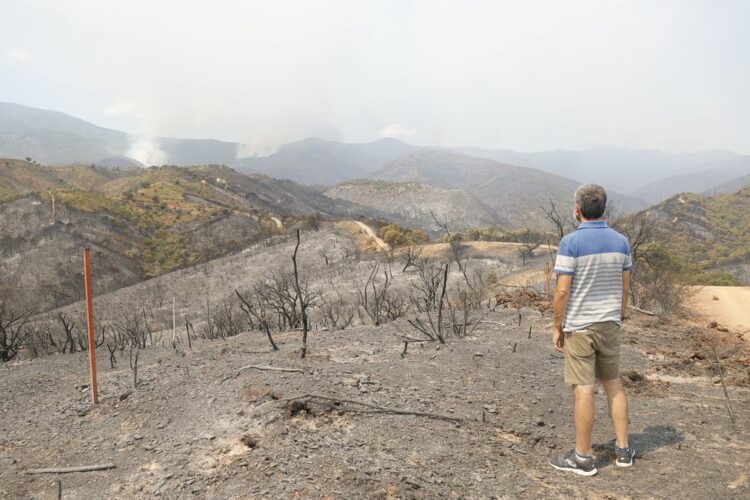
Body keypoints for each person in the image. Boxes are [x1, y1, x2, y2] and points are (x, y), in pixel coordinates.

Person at [548, 184, 635, 476]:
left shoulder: (570, 243)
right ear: (603, 209)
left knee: (584, 389)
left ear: (577, 209)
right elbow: (625, 288)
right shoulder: (622, 242)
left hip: (580, 327)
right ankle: (623, 451)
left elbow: (562, 292)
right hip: (610, 323)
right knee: (613, 384)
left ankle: (583, 458)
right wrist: (619, 316)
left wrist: (556, 326)